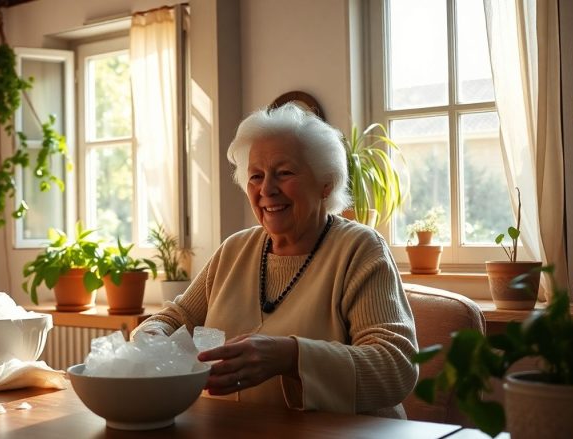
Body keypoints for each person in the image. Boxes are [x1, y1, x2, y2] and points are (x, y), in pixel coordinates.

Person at [133, 103, 417, 418]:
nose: (266, 189)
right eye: (256, 176)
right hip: (236, 430)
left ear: (326, 182)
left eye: (284, 173)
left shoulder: (359, 249)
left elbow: (396, 366)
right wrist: (151, 337)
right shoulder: (235, 250)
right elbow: (173, 319)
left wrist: (292, 357)